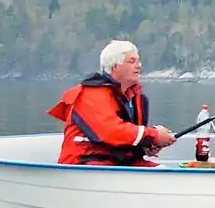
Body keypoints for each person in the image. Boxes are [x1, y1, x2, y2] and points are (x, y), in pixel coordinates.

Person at [47, 39, 176, 166]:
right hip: (84, 163)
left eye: (138, 61)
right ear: (116, 67)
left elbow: (127, 139)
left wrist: (145, 146)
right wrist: (153, 135)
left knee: (162, 171)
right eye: (132, 61)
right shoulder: (90, 95)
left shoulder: (136, 97)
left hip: (116, 162)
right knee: (157, 177)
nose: (139, 65)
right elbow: (111, 131)